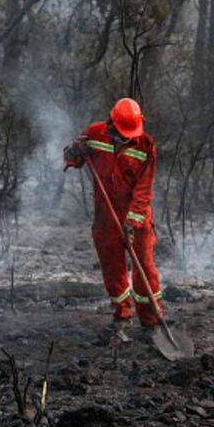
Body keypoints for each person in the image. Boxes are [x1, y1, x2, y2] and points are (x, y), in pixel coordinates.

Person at [64, 97, 163, 336]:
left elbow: (144, 190)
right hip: (106, 214)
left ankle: (151, 319)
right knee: (112, 264)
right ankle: (122, 314)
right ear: (112, 123)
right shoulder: (95, 134)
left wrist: (132, 221)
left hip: (136, 217)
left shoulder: (146, 145)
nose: (128, 137)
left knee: (145, 268)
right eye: (123, 133)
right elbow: (74, 160)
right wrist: (74, 152)